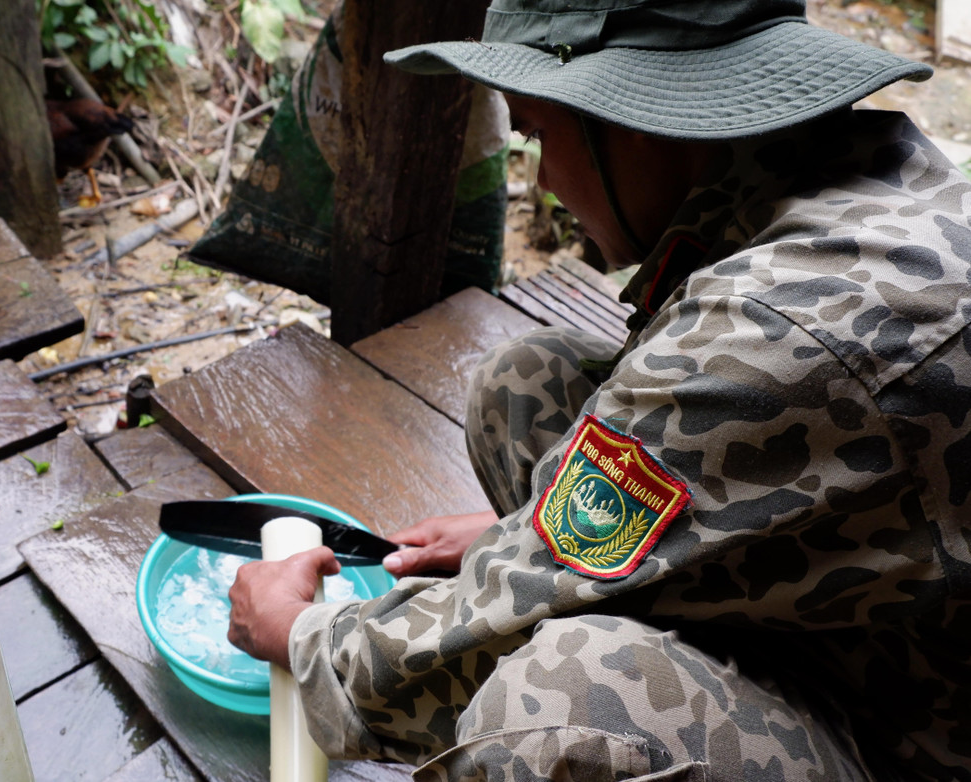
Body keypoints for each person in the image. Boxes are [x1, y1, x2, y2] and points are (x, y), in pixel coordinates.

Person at [226, 1, 971, 779]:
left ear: (633, 114)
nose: (544, 183)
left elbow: (458, 652)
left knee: (556, 702)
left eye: (541, 135)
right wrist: (520, 539)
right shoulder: (853, 172)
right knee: (529, 384)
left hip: (910, 741)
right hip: (869, 627)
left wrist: (303, 634)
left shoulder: (778, 330)